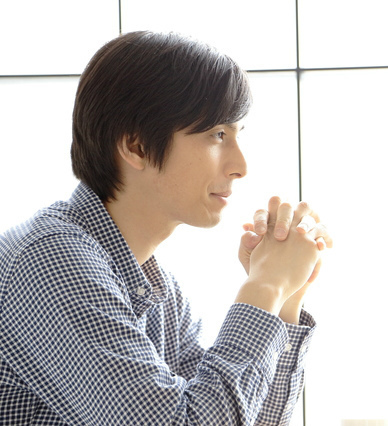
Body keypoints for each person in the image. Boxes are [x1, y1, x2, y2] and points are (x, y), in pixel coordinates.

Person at [0, 31, 331, 425]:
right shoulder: (52, 261)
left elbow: (244, 418)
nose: (241, 166)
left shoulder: (157, 289)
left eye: (237, 135)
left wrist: (285, 298)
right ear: (136, 146)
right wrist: (265, 286)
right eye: (218, 135)